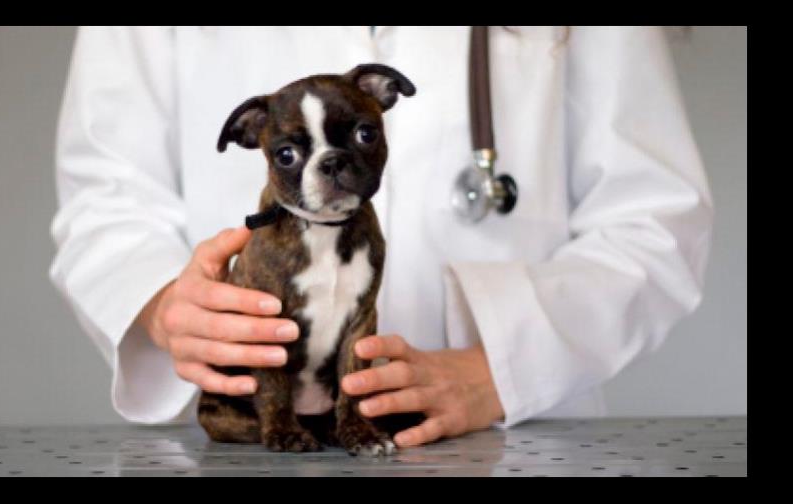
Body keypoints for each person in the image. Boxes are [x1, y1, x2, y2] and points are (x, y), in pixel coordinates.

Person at [49, 26, 713, 448]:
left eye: (363, 134)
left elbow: (653, 217)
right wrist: (166, 305)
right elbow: (106, 200)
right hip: (266, 436)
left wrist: (506, 369)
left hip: (512, 440)